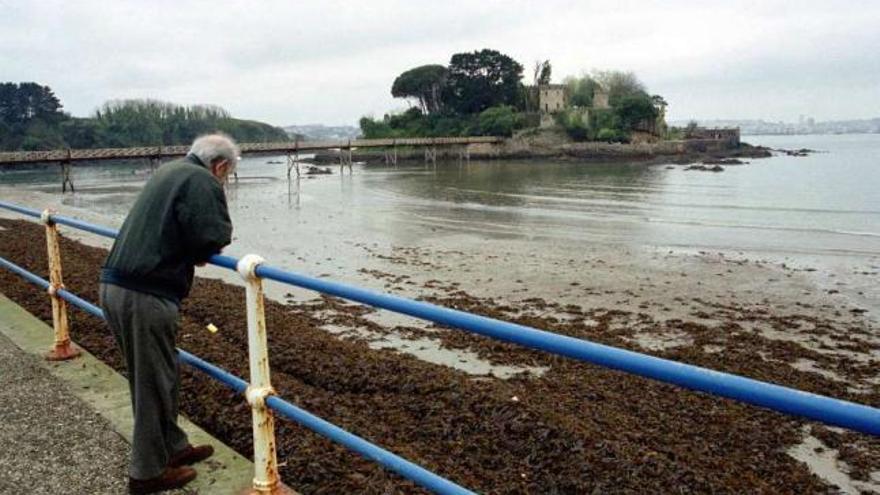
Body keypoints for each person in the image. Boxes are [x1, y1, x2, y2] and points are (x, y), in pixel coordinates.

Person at [99, 133, 237, 494]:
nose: (223, 180)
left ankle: (173, 447)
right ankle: (145, 474)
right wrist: (207, 247)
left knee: (162, 371)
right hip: (144, 293)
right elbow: (212, 235)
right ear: (220, 166)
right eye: (227, 175)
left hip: (117, 284)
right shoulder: (202, 179)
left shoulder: (170, 171)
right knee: (152, 382)